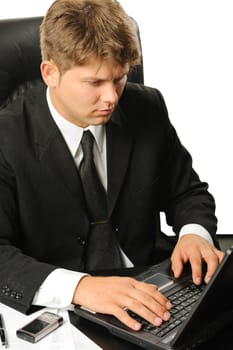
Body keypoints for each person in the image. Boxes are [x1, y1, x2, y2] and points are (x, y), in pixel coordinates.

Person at [0, 0, 224, 332]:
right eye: (94, 83)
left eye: (119, 79)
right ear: (50, 73)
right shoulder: (7, 135)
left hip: (153, 284)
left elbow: (188, 193)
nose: (112, 97)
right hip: (61, 305)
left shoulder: (147, 106)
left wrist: (195, 234)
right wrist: (80, 287)